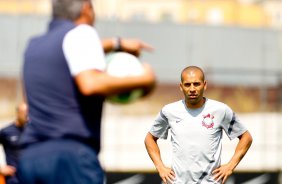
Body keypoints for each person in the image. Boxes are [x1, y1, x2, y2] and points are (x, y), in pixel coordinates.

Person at [18, 0, 156, 184]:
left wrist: (117, 43)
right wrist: (145, 80)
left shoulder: (34, 46)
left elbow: (69, 51)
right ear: (86, 8)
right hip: (70, 158)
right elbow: (90, 83)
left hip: (30, 159)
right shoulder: (82, 32)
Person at [144, 66, 252, 184]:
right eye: (187, 84)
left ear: (204, 85)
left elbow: (246, 138)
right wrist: (160, 167)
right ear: (181, 87)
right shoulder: (169, 111)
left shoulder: (220, 110)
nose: (192, 89)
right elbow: (150, 139)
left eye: (196, 84)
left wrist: (230, 166)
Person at [0, 103, 28, 184]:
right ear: (18, 113)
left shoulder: (31, 131)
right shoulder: (6, 131)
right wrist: (0, 168)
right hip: (14, 178)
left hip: (31, 177)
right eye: (25, 113)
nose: (27, 117)